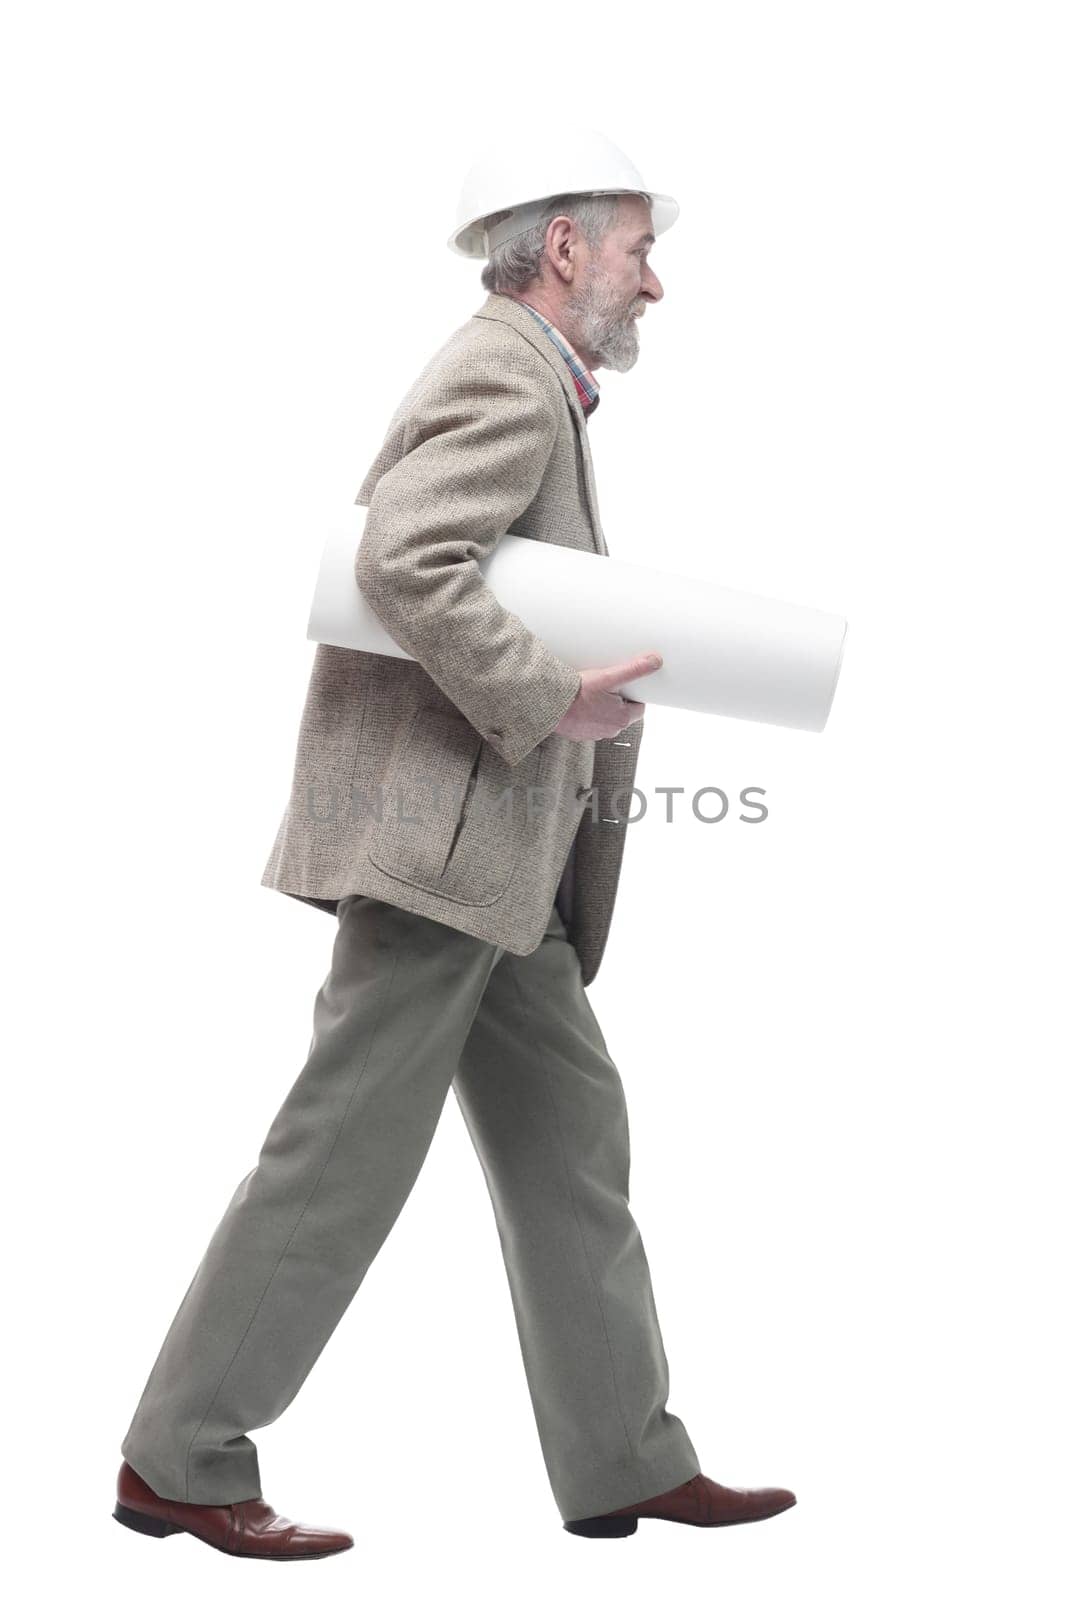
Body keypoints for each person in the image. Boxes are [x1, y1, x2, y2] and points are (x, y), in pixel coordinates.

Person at [113, 130, 796, 1559]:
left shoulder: (541, 378)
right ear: (562, 250)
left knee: (570, 1141)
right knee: (343, 1154)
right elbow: (406, 556)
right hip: (444, 849)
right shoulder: (503, 368)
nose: (652, 282)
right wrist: (555, 696)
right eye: (635, 249)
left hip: (502, 864)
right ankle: (178, 1458)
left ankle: (620, 1456)